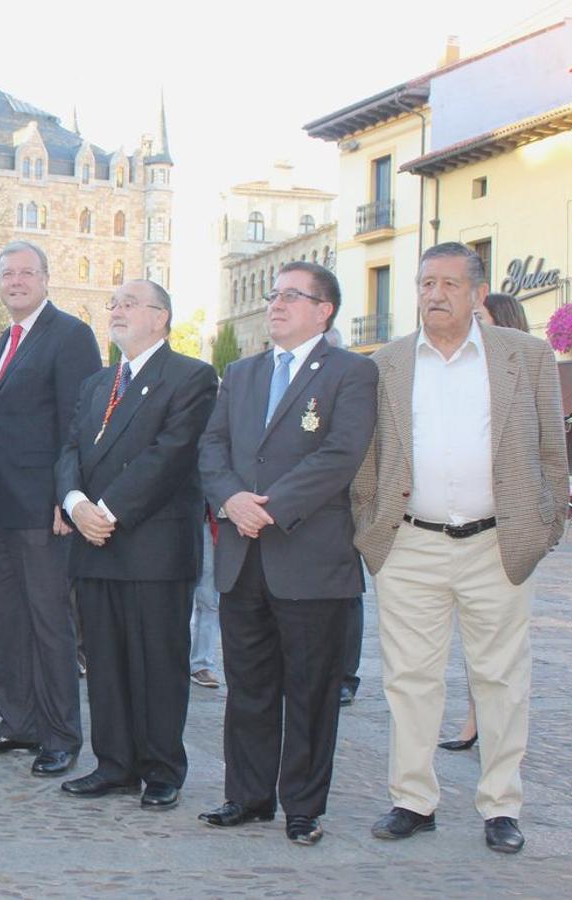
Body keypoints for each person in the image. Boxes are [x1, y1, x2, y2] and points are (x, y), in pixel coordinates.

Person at [354, 243, 566, 855]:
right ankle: (412, 800)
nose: (434, 294)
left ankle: (501, 805)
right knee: (410, 678)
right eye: (425, 283)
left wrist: (543, 526)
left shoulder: (525, 356)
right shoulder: (388, 363)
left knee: (501, 678)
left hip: (497, 542)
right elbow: (367, 462)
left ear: (477, 294)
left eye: (449, 283)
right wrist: (371, 530)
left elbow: (553, 450)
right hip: (411, 544)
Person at [196, 260, 377, 846]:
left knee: (310, 691)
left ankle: (303, 806)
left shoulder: (351, 372)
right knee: (247, 688)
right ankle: (246, 797)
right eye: (274, 296)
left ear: (324, 310)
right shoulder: (241, 372)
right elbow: (212, 446)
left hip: (310, 559)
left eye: (291, 297)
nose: (275, 305)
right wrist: (229, 499)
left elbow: (341, 454)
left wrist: (264, 506)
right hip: (243, 557)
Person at [55, 280, 217, 808]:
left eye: (130, 303)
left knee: (158, 663)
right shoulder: (98, 383)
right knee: (103, 661)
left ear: (161, 317)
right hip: (94, 542)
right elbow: (72, 448)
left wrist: (107, 511)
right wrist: (74, 501)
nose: (117, 310)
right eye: (114, 303)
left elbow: (170, 455)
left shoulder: (191, 376)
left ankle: (162, 767)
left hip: (152, 546)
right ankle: (115, 764)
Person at [0, 240, 102, 777]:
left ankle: (61, 733)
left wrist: (66, 498)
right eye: (7, 274)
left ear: (46, 278)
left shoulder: (70, 335)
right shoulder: (7, 337)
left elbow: (79, 424)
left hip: (44, 508)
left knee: (49, 622)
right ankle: (17, 720)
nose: (16, 281)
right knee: (4, 619)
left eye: (26, 273)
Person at [439, 291, 532, 752]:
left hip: (502, 532)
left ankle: (488, 729)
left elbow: (545, 452)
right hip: (445, 529)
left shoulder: (525, 371)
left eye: (479, 317)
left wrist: (540, 527)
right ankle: (475, 719)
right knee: (469, 639)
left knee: (499, 649)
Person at [188, 509, 221, 689]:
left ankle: (202, 664)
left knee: (209, 600)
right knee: (174, 598)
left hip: (209, 522)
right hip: (180, 521)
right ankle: (172, 659)